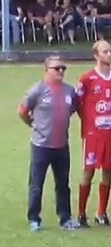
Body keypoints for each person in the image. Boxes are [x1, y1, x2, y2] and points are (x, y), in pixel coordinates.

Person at [18, 56, 80, 231]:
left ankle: (65, 218)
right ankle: (34, 218)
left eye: (63, 68)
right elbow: (23, 110)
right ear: (46, 70)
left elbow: (73, 109)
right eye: (56, 68)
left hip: (61, 145)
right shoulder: (37, 91)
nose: (61, 71)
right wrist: (33, 124)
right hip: (41, 145)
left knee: (63, 184)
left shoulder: (69, 91)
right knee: (37, 184)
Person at [75, 40, 111, 227]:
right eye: (105, 51)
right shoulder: (87, 79)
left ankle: (101, 212)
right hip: (93, 134)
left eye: (110, 51)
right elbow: (77, 103)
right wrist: (88, 120)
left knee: (108, 171)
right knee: (89, 171)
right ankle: (81, 213)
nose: (109, 54)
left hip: (110, 133)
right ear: (96, 56)